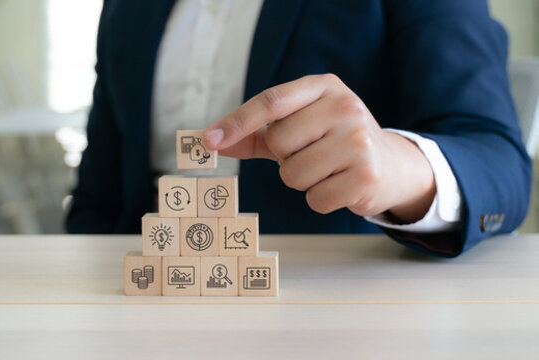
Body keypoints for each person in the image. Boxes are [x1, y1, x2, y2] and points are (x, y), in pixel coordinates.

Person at [65, 0, 532, 256]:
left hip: (332, 312)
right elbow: (98, 197)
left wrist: (398, 167)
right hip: (139, 303)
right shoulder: (126, 9)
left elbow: (498, 161)